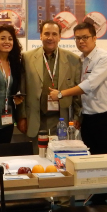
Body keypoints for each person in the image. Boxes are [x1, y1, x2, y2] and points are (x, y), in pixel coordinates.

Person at [49, 21, 107, 156]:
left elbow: (89, 85)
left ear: (94, 38)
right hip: (87, 118)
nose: (81, 41)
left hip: (104, 119)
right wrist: (77, 116)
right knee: (88, 158)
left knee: (105, 159)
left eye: (85, 37)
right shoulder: (80, 60)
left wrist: (60, 94)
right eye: (78, 38)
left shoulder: (104, 58)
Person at [18, 20, 81, 148]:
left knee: (61, 156)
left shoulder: (73, 60)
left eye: (54, 34)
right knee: (38, 156)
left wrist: (77, 117)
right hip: (36, 118)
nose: (50, 38)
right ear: (41, 36)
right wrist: (22, 116)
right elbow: (22, 90)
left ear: (60, 37)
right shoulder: (27, 58)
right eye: (46, 34)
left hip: (62, 119)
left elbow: (77, 93)